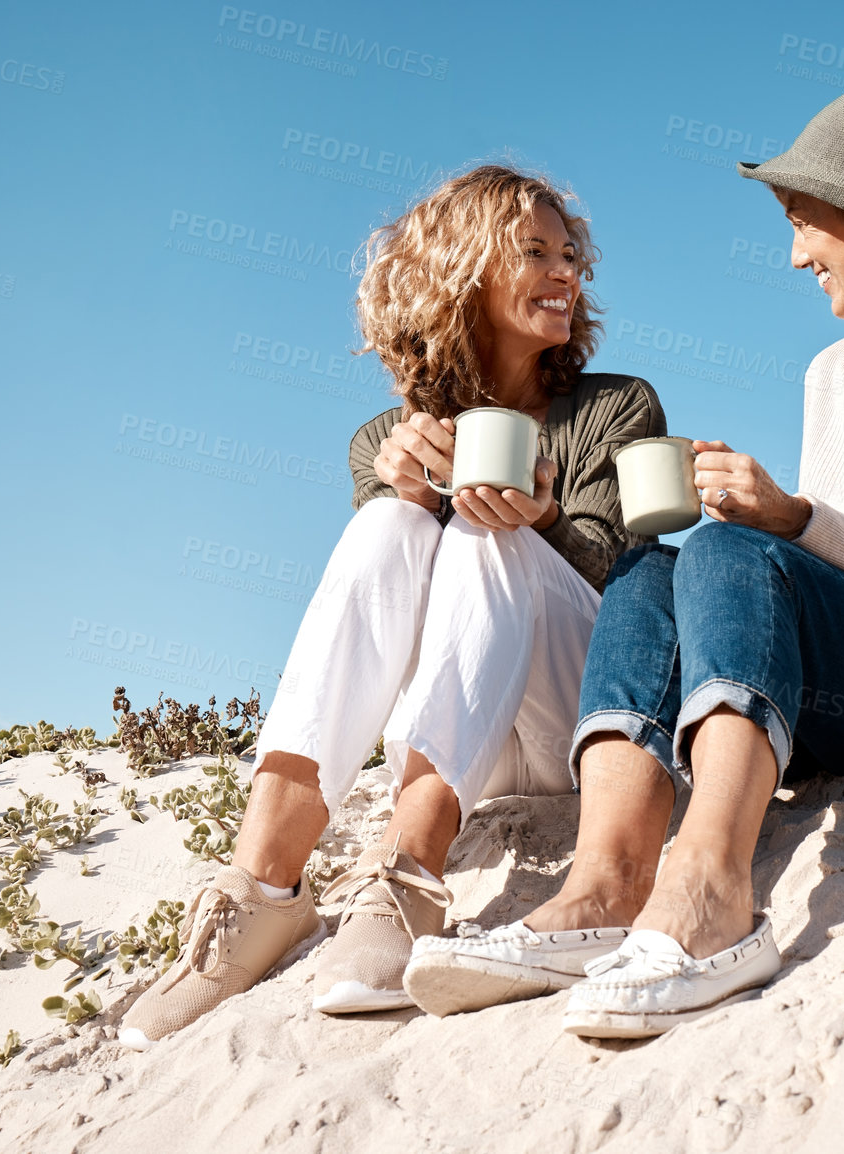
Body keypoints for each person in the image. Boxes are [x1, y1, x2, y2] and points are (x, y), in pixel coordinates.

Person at [403, 89, 844, 1038]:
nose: (796, 256)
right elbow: (820, 569)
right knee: (649, 563)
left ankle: (711, 892)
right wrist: (775, 526)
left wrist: (789, 518)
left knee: (732, 546)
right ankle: (604, 888)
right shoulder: (830, 372)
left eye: (805, 225)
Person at [119, 166, 666, 1049]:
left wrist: (544, 518)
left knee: (492, 537)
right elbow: (383, 625)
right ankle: (262, 888)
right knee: (386, 531)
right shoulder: (384, 437)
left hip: (576, 714)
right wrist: (407, 493)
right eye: (533, 253)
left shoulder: (614, 406)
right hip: (459, 741)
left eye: (571, 255)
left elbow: (618, 577)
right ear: (459, 272)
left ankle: (409, 873)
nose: (566, 272)